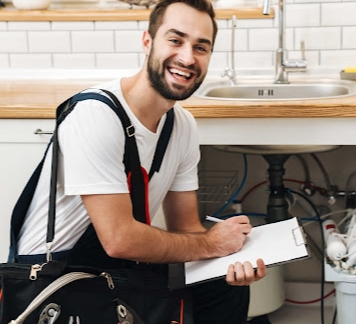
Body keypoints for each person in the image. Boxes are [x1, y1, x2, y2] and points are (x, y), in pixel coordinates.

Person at [13, 0, 266, 322]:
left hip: (117, 268)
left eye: (201, 47)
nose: (187, 58)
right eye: (175, 40)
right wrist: (212, 244)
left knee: (224, 284)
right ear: (148, 41)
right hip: (56, 278)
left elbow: (186, 228)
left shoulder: (181, 125)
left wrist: (230, 259)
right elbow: (120, 239)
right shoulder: (96, 115)